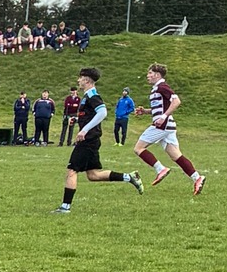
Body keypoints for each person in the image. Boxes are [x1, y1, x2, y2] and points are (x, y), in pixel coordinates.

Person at [53, 67, 143, 213]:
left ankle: (65, 207)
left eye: (80, 78)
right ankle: (129, 177)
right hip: (92, 140)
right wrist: (77, 120)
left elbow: (102, 112)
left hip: (88, 140)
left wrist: (84, 130)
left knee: (71, 170)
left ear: (87, 80)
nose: (78, 80)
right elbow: (89, 114)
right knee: (93, 175)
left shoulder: (93, 95)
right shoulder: (86, 96)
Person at [132, 62, 205, 196]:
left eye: (150, 73)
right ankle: (197, 178)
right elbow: (161, 108)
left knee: (138, 148)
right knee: (176, 156)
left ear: (157, 75)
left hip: (162, 126)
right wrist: (146, 112)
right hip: (168, 126)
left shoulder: (162, 87)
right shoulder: (156, 89)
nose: (147, 75)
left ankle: (160, 169)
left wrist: (163, 117)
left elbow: (176, 101)